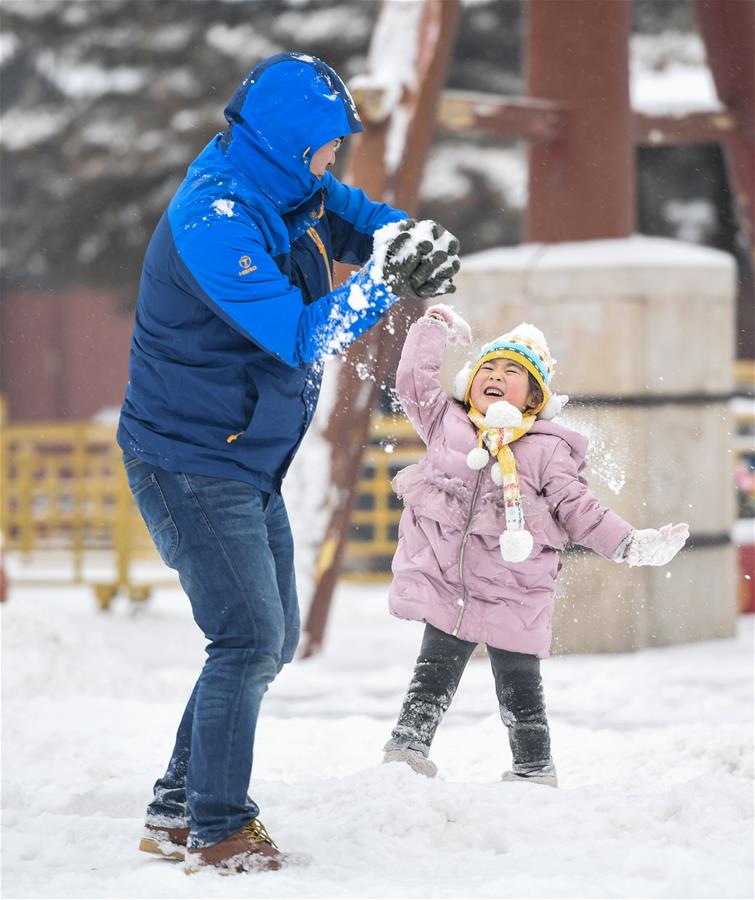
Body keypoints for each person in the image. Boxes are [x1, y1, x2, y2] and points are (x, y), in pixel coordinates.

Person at [117, 53, 459, 874]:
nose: (333, 161)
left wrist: (406, 239)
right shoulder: (216, 218)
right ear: (285, 141)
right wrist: (384, 282)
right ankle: (218, 827)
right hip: (188, 461)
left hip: (240, 457)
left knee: (267, 639)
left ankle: (174, 810)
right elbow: (300, 334)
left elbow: (357, 219)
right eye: (326, 147)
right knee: (248, 636)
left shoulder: (287, 185)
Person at [382, 305, 689, 784]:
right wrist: (433, 328)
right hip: (450, 581)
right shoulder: (448, 426)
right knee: (433, 669)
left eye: (513, 372)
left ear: (533, 397)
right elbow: (413, 384)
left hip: (515, 589)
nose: (496, 376)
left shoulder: (546, 448)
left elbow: (579, 509)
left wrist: (630, 544)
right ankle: (407, 749)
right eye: (488, 367)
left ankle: (533, 767)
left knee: (519, 683)